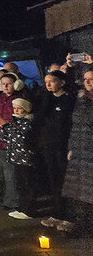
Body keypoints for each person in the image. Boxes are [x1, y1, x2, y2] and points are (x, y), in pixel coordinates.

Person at [55, 69, 93, 235]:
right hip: (80, 149)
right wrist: (71, 146)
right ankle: (82, 223)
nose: (88, 83)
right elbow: (75, 125)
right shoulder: (81, 100)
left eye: (91, 79)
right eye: (86, 79)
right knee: (80, 190)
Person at [34, 70, 75, 222]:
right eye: (46, 82)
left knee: (66, 180)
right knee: (54, 180)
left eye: (51, 81)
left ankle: (70, 215)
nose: (48, 85)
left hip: (63, 146)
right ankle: (58, 211)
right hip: (48, 145)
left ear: (61, 82)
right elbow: (39, 119)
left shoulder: (69, 100)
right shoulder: (46, 100)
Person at [0, 72, 25, 210]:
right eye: (3, 84)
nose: (6, 86)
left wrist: (9, 127)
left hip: (15, 141)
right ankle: (9, 198)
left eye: (9, 84)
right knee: (5, 171)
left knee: (12, 172)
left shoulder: (21, 100)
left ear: (16, 85)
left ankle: (14, 200)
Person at [1, 98, 37, 219]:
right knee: (20, 183)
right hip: (16, 157)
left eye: (19, 108)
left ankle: (29, 210)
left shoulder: (28, 122)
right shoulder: (15, 121)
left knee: (27, 183)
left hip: (25, 157)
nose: (16, 110)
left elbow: (22, 137)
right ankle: (22, 207)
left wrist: (7, 127)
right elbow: (6, 137)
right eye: (15, 108)